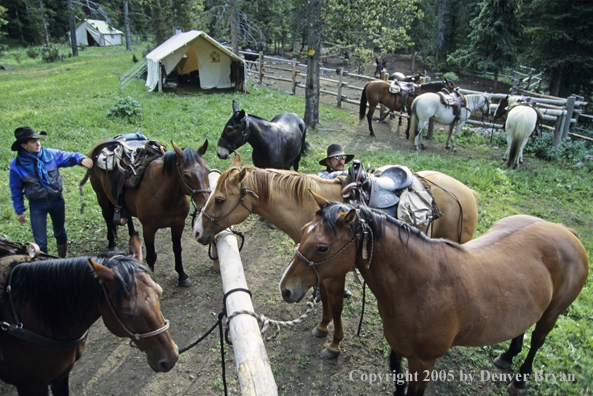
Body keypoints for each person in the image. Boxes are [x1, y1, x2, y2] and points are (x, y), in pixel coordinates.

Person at [9, 126, 93, 257]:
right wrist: (19, 210)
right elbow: (15, 189)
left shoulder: (50, 155)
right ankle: (45, 265)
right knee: (40, 240)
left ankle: (62, 257)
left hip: (56, 201)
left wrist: (81, 159)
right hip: (37, 205)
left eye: (38, 140)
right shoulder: (17, 165)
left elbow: (70, 156)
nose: (38, 144)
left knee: (60, 232)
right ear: (23, 145)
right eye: (33, 141)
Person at [316, 143, 355, 299]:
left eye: (343, 158)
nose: (341, 161)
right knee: (320, 256)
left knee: (340, 257)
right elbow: (327, 179)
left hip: (341, 221)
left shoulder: (347, 175)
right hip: (325, 221)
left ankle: (340, 287)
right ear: (328, 162)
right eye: (336, 158)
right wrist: (346, 175)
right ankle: (318, 289)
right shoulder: (322, 176)